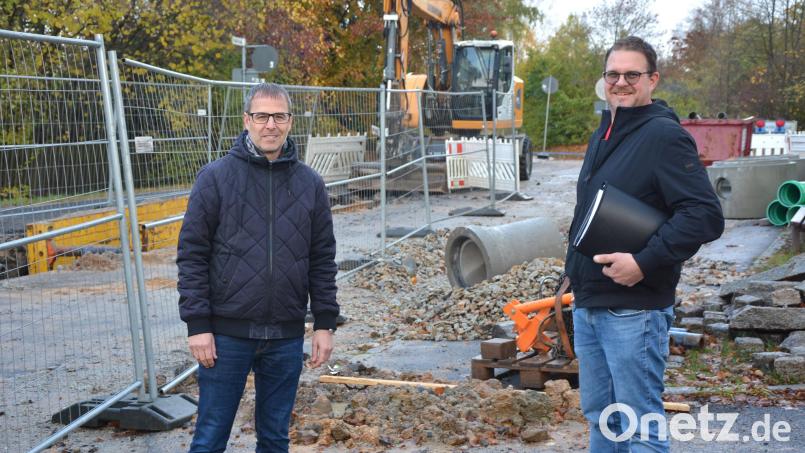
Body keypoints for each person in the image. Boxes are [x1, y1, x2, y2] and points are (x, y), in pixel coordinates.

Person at [564, 36, 724, 452]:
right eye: (613, 74)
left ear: (652, 78)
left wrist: (644, 261)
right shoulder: (605, 132)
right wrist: (572, 273)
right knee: (602, 419)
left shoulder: (663, 136)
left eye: (632, 74)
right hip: (591, 302)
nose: (621, 82)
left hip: (633, 308)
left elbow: (704, 214)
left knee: (639, 428)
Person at [177, 83, 339, 453]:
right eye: (262, 116)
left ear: (290, 122)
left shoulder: (310, 184)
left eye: (279, 116)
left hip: (284, 335)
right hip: (226, 336)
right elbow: (192, 255)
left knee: (274, 439)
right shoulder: (215, 178)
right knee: (210, 436)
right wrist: (198, 325)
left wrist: (325, 323)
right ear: (247, 120)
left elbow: (322, 259)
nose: (271, 125)